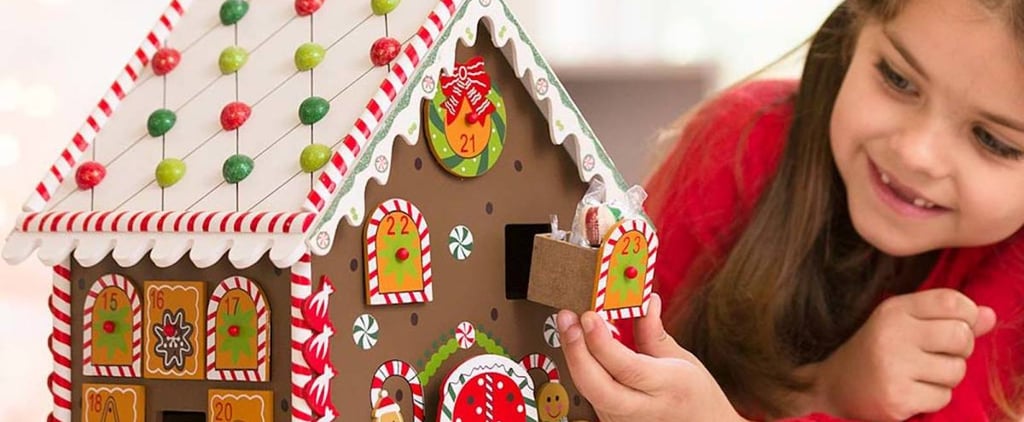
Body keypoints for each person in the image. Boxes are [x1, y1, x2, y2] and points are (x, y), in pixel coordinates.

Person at [556, 0, 1024, 420]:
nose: (917, 153)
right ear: (854, 32)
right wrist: (824, 391)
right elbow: (576, 379)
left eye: (993, 141)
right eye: (898, 79)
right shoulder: (737, 146)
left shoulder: (1012, 290)